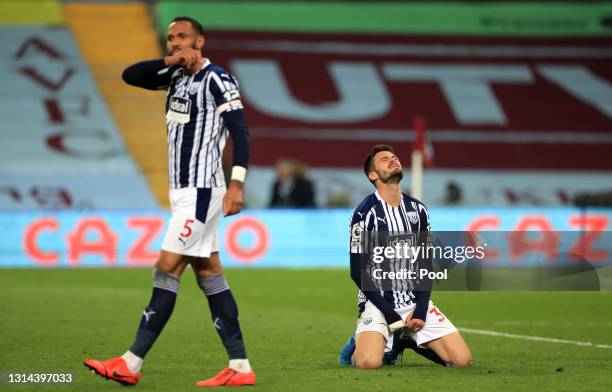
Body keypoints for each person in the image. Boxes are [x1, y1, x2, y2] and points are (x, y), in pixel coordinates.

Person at [83, 16, 255, 387]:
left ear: (200, 41)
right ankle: (240, 366)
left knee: (166, 268)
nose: (174, 43)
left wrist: (236, 184)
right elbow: (131, 75)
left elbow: (240, 133)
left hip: (202, 191)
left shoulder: (217, 79)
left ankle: (130, 362)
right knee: (208, 274)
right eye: (170, 38)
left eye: (183, 38)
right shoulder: (174, 76)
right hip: (183, 194)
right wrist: (169, 62)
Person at [339, 144, 472, 369]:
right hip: (378, 303)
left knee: (462, 361)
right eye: (384, 160)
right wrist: (391, 314)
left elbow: (425, 265)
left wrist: (420, 309)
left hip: (412, 302)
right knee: (369, 363)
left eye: (394, 157)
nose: (393, 160)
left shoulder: (418, 211)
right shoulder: (364, 214)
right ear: (373, 175)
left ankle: (405, 338)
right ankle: (355, 344)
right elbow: (358, 272)